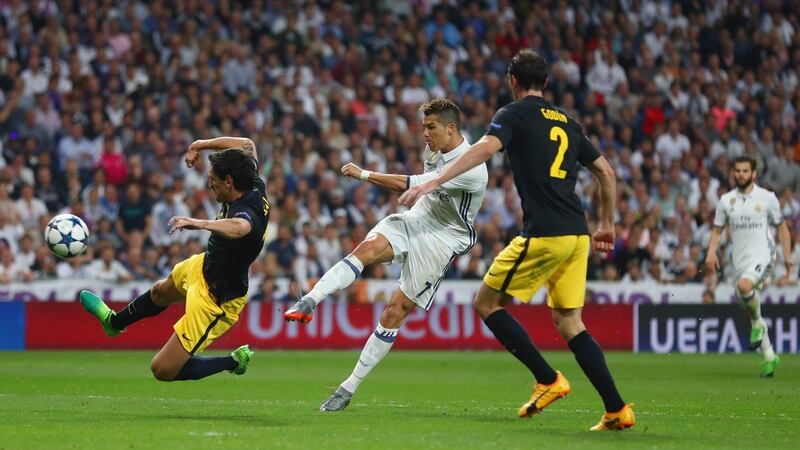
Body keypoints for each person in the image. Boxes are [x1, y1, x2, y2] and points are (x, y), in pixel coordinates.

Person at [398, 50, 634, 431]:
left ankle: (547, 379)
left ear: (512, 80)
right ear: (546, 82)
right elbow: (605, 172)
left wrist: (435, 180)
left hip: (545, 233)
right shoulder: (569, 122)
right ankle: (616, 409)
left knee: (486, 303)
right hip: (578, 235)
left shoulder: (513, 114)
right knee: (570, 321)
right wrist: (606, 223)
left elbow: (487, 149)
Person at [283, 99, 487, 411]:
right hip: (417, 219)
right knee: (365, 249)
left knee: (395, 312)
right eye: (423, 127)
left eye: (431, 127)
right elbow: (421, 188)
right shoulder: (432, 151)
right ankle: (310, 299)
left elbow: (413, 183)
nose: (425, 134)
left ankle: (347, 388)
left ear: (451, 128)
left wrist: (363, 174)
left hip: (444, 238)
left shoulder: (473, 166)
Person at [79, 137, 270, 381]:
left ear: (229, 182)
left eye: (213, 180)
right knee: (160, 292)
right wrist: (198, 145)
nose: (210, 184)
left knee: (163, 369)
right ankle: (114, 323)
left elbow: (241, 226)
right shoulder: (251, 178)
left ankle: (232, 361)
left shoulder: (248, 209)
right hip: (203, 266)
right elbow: (248, 144)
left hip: (217, 300)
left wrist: (199, 223)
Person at [704, 155, 789, 377]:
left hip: (764, 254)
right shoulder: (726, 201)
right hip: (739, 261)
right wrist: (711, 251)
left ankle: (759, 325)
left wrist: (788, 258)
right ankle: (770, 356)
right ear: (733, 173)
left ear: (754, 174)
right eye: (737, 171)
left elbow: (782, 228)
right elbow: (717, 229)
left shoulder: (767, 198)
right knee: (749, 309)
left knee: (744, 287)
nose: (741, 174)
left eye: (745, 171)